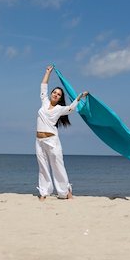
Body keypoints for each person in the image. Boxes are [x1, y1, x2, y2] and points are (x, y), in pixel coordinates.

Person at [36, 65, 88, 201]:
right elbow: (43, 86)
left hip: (52, 141)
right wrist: (47, 72)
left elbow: (71, 109)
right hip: (39, 141)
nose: (56, 94)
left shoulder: (59, 109)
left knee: (58, 167)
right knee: (43, 167)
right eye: (55, 92)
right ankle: (44, 192)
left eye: (59, 94)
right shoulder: (44, 102)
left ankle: (65, 192)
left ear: (60, 98)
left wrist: (80, 96)